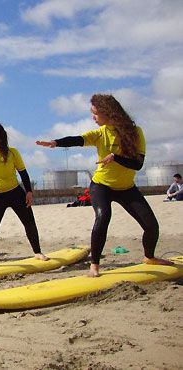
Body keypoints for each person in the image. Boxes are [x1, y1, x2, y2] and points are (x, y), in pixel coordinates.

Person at [36, 93, 173, 277]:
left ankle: (149, 257)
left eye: (95, 114)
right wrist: (55, 143)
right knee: (103, 217)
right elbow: (78, 139)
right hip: (101, 186)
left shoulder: (135, 133)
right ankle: (94, 265)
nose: (93, 118)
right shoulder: (100, 134)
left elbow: (138, 164)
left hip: (126, 188)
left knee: (151, 226)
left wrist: (116, 158)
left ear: (109, 113)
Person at [0, 122, 49, 268]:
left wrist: (29, 191)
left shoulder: (13, 152)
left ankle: (37, 252)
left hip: (15, 192)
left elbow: (23, 172)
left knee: (29, 222)